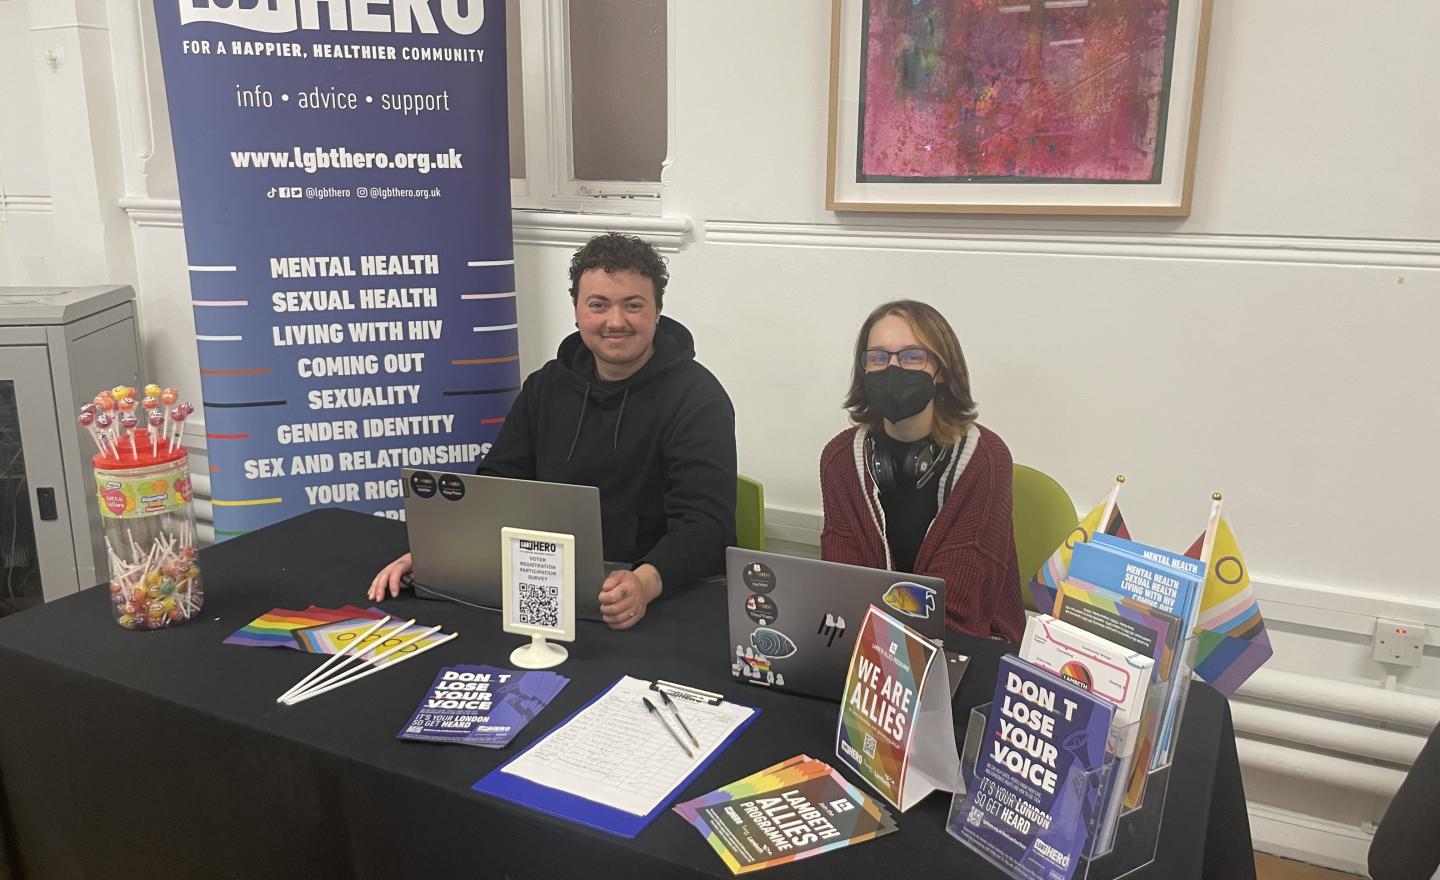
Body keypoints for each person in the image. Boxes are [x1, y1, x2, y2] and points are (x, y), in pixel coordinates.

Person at [368, 233, 737, 629]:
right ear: (577, 311)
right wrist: (440, 554)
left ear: (657, 312)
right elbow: (499, 482)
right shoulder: (547, 385)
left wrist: (645, 582)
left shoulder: (698, 398)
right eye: (599, 305)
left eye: (633, 306)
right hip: (544, 583)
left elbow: (706, 525)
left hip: (651, 596)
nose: (616, 321)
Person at [818, 299, 1024, 642]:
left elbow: (957, 607)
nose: (893, 369)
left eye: (912, 356)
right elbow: (843, 584)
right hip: (868, 645)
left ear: (941, 370)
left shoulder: (985, 459)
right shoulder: (840, 459)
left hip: (967, 644)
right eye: (878, 358)